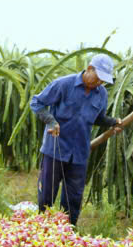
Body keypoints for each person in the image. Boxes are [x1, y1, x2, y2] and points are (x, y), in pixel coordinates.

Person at [29, 54, 121, 226]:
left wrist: (111, 122)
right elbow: (36, 102)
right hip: (55, 149)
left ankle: (68, 234)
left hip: (79, 153)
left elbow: (97, 119)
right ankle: (42, 231)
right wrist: (51, 120)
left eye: (103, 81)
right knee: (46, 194)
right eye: (98, 78)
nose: (100, 83)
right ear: (89, 69)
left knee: (74, 198)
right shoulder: (64, 84)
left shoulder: (101, 95)